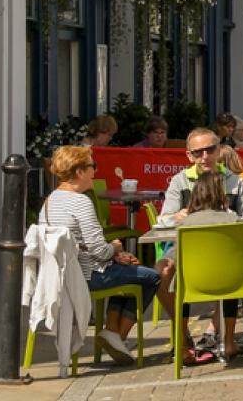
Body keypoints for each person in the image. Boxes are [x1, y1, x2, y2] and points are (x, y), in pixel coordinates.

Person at [40, 145, 162, 364]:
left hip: (61, 274)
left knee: (128, 272)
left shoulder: (50, 201)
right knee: (151, 276)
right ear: (79, 172)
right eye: (92, 167)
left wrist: (114, 255)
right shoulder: (81, 202)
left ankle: (112, 332)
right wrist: (115, 247)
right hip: (87, 275)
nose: (95, 172)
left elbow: (81, 245)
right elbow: (99, 251)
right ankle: (118, 337)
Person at [156, 170, 243, 364]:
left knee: (178, 283)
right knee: (230, 287)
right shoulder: (233, 219)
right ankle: (229, 341)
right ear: (221, 195)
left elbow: (179, 254)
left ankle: (182, 346)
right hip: (230, 282)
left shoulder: (185, 224)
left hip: (194, 283)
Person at [163, 127, 243, 218]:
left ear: (218, 151)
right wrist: (175, 217)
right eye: (198, 152)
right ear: (190, 156)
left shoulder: (236, 181)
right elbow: (164, 219)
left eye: (210, 150)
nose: (205, 156)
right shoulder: (180, 181)